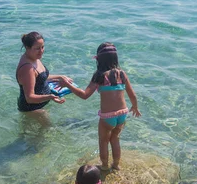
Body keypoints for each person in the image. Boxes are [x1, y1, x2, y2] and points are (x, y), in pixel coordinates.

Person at [58, 42, 141, 170]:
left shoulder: (99, 76)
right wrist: (135, 107)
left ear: (98, 59)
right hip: (122, 114)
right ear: (115, 58)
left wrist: (68, 85)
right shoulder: (122, 74)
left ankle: (104, 165)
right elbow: (132, 95)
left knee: (103, 141)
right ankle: (116, 165)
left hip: (108, 116)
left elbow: (85, 95)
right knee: (115, 139)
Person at [16, 32, 68, 120]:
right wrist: (50, 97)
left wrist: (60, 77)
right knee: (50, 131)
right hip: (32, 109)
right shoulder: (27, 68)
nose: (41, 51)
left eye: (42, 47)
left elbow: (40, 78)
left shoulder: (34, 57)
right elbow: (29, 98)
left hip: (41, 104)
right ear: (27, 48)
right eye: (37, 48)